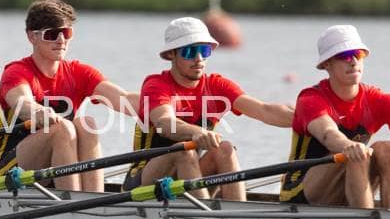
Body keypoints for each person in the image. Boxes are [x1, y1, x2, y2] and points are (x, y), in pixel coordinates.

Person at [123, 17, 293, 200]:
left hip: (190, 173)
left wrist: (307, 118)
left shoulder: (217, 86)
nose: (199, 59)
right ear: (171, 54)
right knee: (183, 151)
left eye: (204, 51)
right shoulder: (156, 85)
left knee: (225, 148)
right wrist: (196, 132)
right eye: (190, 52)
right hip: (144, 180)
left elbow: (265, 110)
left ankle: (236, 209)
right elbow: (164, 123)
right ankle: (205, 212)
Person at [280, 24, 390, 216]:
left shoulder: (376, 99)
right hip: (302, 192)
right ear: (327, 64)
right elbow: (328, 133)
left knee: (386, 149)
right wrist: (349, 145)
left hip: (350, 182)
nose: (353, 61)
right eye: (344, 55)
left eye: (358, 54)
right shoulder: (311, 99)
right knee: (355, 153)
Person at [0, 0, 138, 192]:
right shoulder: (17, 72)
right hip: (6, 171)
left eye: (66, 33)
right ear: (32, 37)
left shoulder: (79, 73)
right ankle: (73, 198)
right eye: (52, 34)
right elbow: (21, 102)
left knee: (87, 124)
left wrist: (161, 107)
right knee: (62, 128)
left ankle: (92, 199)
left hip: (50, 171)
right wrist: (38, 111)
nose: (61, 40)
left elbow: (125, 99)